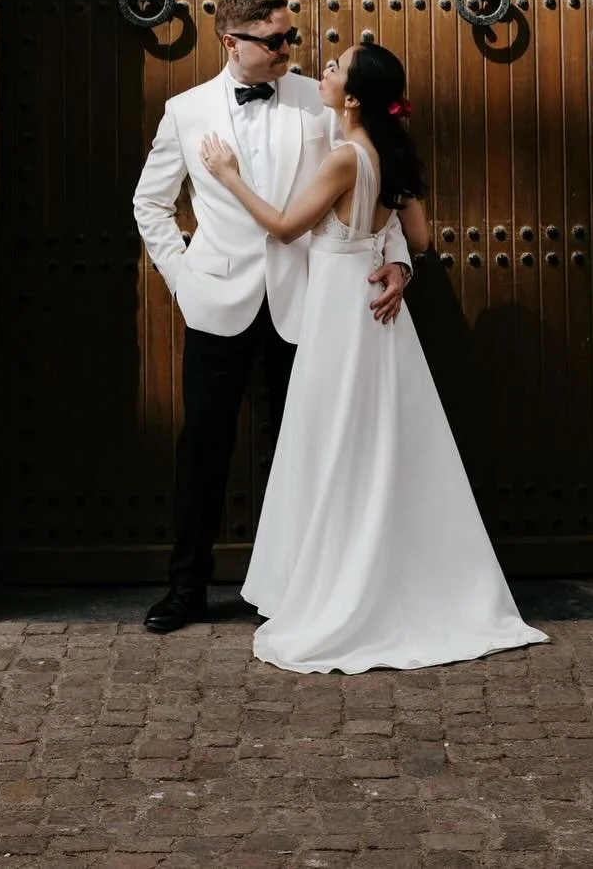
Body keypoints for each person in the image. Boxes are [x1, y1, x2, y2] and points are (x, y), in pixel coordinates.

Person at [199, 42, 548, 674]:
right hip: (374, 305)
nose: (323, 71)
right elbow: (416, 236)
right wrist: (394, 264)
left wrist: (227, 175)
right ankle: (384, 574)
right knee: (380, 438)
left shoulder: (343, 159)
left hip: (339, 308)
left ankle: (336, 586)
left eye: (335, 69)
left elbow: (283, 227)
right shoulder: (391, 153)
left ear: (353, 97)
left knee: (334, 440)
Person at [132, 0, 414, 634]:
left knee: (312, 444)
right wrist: (184, 278)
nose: (290, 47)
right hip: (216, 300)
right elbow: (150, 202)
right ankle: (186, 588)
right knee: (202, 445)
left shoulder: (320, 102)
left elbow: (379, 182)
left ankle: (311, 588)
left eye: (291, 36)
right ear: (231, 42)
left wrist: (397, 259)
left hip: (310, 304)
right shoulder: (185, 110)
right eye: (276, 39)